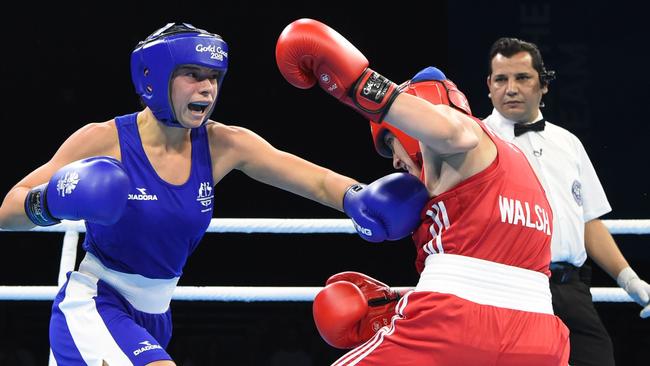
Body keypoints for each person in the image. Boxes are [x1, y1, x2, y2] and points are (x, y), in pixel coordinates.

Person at [0, 22, 430, 366]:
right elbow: (8, 208)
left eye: (213, 78)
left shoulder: (222, 144)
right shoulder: (104, 140)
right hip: (95, 301)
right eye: (192, 75)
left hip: (155, 316)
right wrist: (51, 203)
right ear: (154, 78)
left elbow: (310, 178)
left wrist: (359, 198)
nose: (207, 89)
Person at [276, 18, 570, 365]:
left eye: (392, 143)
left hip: (453, 325)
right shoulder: (516, 165)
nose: (396, 162)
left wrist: (352, 83)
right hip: (542, 339)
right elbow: (494, 283)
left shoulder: (460, 132)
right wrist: (398, 300)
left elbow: (449, 130)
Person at [482, 36, 650, 366]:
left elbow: (587, 221)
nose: (511, 88)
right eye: (501, 79)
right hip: (512, 289)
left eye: (522, 77)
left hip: (571, 289)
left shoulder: (567, 143)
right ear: (489, 86)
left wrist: (629, 279)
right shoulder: (475, 141)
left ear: (543, 85)